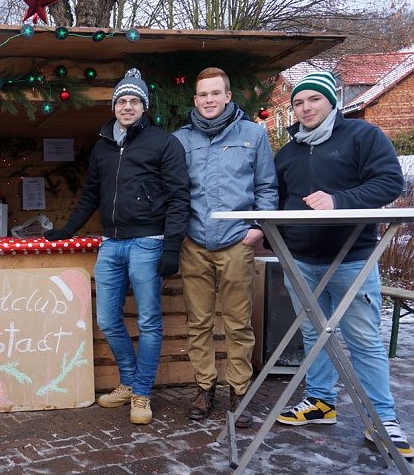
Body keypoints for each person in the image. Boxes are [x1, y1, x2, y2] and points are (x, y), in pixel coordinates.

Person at [273, 70, 412, 457]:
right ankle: (319, 402)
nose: (305, 108)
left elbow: (390, 183)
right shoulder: (288, 153)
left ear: (330, 101)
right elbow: (277, 200)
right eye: (298, 103)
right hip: (300, 260)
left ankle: (382, 420)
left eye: (312, 100)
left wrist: (338, 200)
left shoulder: (362, 137)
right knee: (314, 335)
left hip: (352, 258)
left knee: (363, 340)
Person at [44, 68, 190, 425]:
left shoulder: (163, 143)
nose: (127, 106)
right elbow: (91, 193)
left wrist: (172, 245)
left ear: (144, 106)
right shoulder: (103, 145)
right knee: (108, 319)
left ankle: (142, 393)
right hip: (111, 243)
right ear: (114, 107)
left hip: (148, 243)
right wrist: (69, 229)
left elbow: (178, 196)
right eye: (121, 101)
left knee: (149, 322)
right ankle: (128, 381)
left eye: (134, 101)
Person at [172, 67, 278, 428]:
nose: (209, 100)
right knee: (198, 322)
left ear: (228, 96)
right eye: (203, 95)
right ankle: (205, 388)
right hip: (195, 242)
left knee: (237, 323)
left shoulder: (253, 135)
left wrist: (257, 228)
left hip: (237, 241)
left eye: (215, 93)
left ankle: (239, 391)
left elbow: (267, 186)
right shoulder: (181, 140)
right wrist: (181, 232)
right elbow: (173, 192)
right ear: (196, 99)